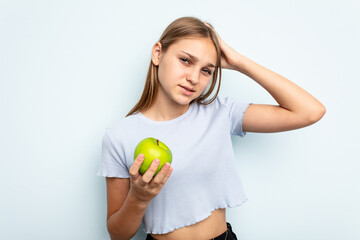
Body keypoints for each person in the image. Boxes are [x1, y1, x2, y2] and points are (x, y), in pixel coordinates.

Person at [96, 16, 326, 240]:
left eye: (207, 70)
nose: (194, 78)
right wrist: (138, 198)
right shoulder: (120, 136)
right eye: (185, 60)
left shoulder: (220, 113)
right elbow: (118, 235)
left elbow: (309, 111)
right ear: (158, 53)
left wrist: (239, 62)